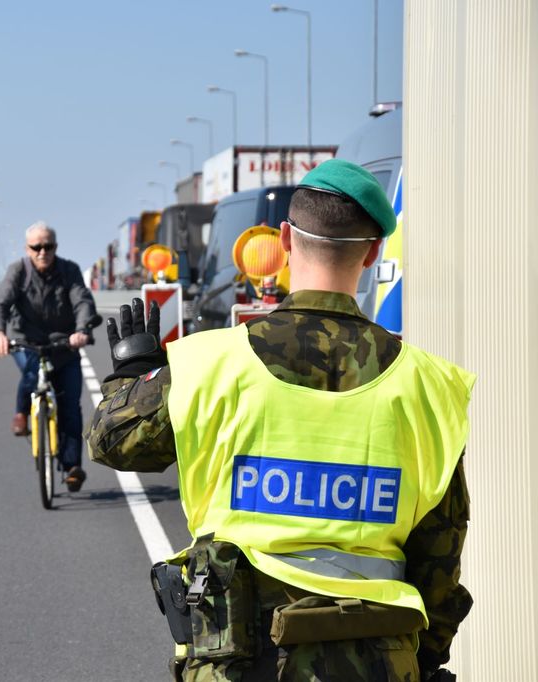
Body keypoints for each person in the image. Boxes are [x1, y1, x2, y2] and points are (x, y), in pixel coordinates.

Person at [87, 159, 473, 681]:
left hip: (240, 662)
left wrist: (132, 373)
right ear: (373, 250)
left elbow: (112, 439)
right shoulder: (429, 385)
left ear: (285, 242)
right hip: (380, 661)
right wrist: (423, 660)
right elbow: (440, 555)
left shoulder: (210, 364)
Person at [0, 221, 97, 492]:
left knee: (70, 405)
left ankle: (72, 466)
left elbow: (82, 301)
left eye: (47, 246)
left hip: (64, 345)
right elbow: (0, 300)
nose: (42, 252)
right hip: (27, 342)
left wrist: (82, 330)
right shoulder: (18, 271)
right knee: (33, 368)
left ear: (55, 247)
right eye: (36, 247)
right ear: (27, 249)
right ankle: (22, 412)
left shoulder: (69, 270)